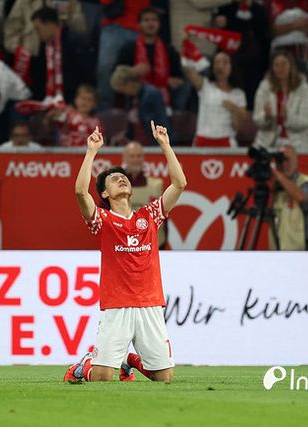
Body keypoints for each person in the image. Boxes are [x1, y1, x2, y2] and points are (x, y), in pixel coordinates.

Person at [65, 120, 186, 383]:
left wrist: (165, 145)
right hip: (117, 305)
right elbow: (80, 192)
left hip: (150, 303)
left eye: (124, 178)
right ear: (105, 194)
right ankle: (84, 366)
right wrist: (91, 152)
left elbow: (179, 184)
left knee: (164, 379)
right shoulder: (103, 220)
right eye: (113, 179)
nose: (121, 179)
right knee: (102, 378)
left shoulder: (149, 216)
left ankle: (129, 360)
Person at [114, 7, 184, 111]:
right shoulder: (128, 49)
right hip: (135, 100)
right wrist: (132, 71)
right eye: (146, 20)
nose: (150, 24)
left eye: (154, 20)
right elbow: (115, 78)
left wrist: (173, 81)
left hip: (165, 101)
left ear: (159, 24)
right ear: (139, 25)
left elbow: (179, 78)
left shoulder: (169, 50)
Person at [270, 144, 308, 250]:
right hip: (282, 250)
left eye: (287, 160)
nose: (284, 164)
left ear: (296, 162)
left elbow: (301, 197)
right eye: (280, 160)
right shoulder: (275, 189)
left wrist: (278, 175)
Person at [183, 50, 247, 147]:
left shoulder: (238, 94)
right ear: (212, 67)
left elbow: (239, 126)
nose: (220, 66)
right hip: (202, 140)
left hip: (226, 141)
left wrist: (234, 108)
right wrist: (186, 50)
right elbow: (189, 71)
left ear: (232, 67)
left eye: (225, 62)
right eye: (217, 62)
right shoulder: (204, 85)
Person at [214, 0, 271, 108]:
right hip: (231, 60)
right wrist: (218, 23)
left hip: (254, 61)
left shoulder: (258, 9)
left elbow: (264, 33)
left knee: (252, 95)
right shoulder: (225, 7)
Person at [253, 50, 308, 149]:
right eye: (276, 65)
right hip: (267, 143)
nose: (280, 68)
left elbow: (306, 121)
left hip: (298, 144)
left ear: (291, 66)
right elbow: (257, 118)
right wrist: (266, 117)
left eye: (284, 64)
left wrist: (288, 116)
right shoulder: (265, 86)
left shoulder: (303, 88)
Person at [96, 0, 150, 111]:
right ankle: (104, 112)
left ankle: (138, 112)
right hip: (114, 25)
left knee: (140, 71)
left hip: (140, 27)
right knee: (105, 67)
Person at [110, 65, 171, 145]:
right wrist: (125, 135)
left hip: (153, 142)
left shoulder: (152, 94)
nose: (124, 93)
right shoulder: (131, 98)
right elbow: (132, 124)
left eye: (123, 89)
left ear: (129, 83)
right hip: (138, 142)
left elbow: (162, 120)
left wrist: (162, 143)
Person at [122, 140, 166, 248]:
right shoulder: (113, 186)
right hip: (122, 245)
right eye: (132, 156)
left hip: (152, 246)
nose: (135, 160)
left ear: (143, 158)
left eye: (139, 156)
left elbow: (164, 219)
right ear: (125, 158)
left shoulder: (156, 186)